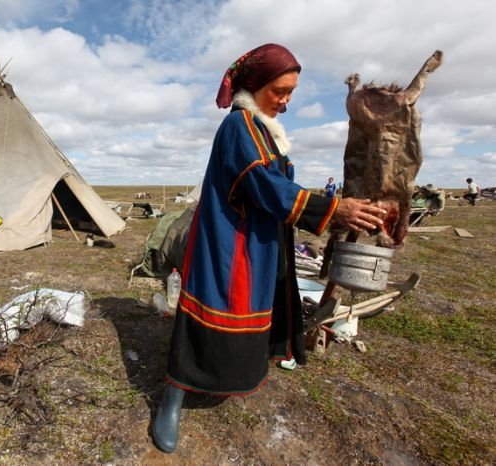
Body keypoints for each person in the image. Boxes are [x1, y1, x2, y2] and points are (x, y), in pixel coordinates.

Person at [151, 43, 387, 454]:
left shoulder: (262, 129)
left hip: (260, 238)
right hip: (230, 239)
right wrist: (332, 208)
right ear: (256, 85)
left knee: (252, 306)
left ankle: (221, 376)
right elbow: (263, 184)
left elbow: (276, 187)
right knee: (215, 303)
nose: (286, 101)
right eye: (280, 91)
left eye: (291, 92)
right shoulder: (239, 126)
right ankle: (172, 396)